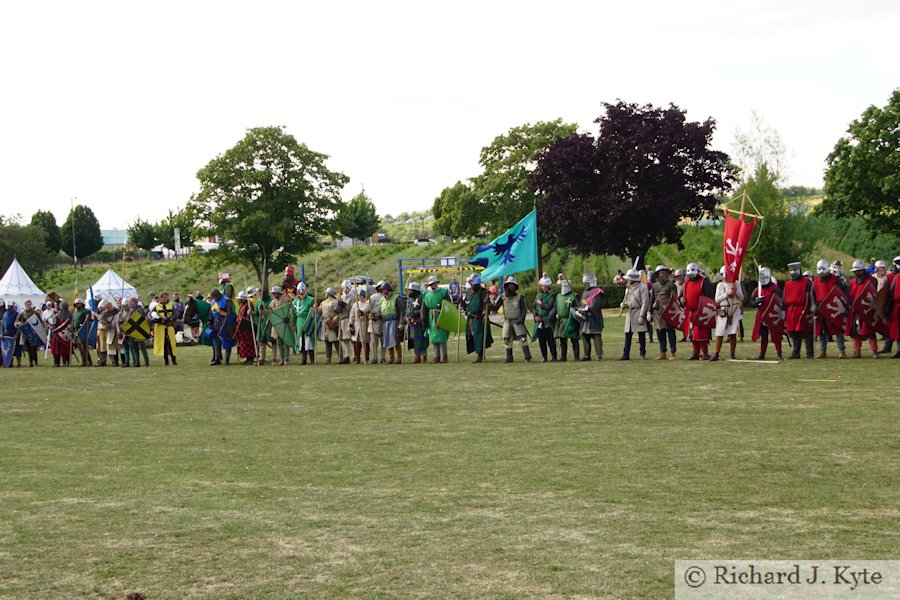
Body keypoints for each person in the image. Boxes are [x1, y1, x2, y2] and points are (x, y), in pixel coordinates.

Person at [811, 259, 848, 359]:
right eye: (819, 269)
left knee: (838, 330)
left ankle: (842, 351)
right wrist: (813, 304)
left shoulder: (835, 279)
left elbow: (842, 294)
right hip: (821, 308)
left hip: (833, 308)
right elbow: (812, 294)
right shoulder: (815, 281)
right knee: (822, 331)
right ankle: (823, 351)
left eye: (823, 269)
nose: (821, 272)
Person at [681, 263, 715, 361]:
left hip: (700, 312)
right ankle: (695, 353)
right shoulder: (687, 282)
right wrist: (682, 300)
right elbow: (683, 295)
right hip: (690, 311)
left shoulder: (704, 281)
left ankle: (705, 353)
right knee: (692, 334)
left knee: (701, 334)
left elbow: (709, 297)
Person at [494, 276, 531, 363]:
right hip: (508, 320)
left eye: (512, 285)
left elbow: (523, 310)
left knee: (522, 339)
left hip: (517, 320)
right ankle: (509, 357)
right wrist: (488, 302)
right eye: (509, 285)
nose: (511, 287)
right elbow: (495, 307)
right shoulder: (503, 297)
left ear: (515, 286)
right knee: (507, 339)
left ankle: (527, 356)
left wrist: (521, 319)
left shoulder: (519, 297)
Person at [846, 259, 879, 359]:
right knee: (855, 332)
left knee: (870, 331)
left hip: (867, 310)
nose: (857, 273)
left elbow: (873, 294)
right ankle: (857, 351)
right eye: (855, 271)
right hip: (856, 310)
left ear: (863, 270)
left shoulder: (872, 280)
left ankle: (874, 351)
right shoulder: (852, 282)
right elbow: (850, 296)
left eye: (859, 271)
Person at [749, 267, 784, 360]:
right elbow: (751, 302)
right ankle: (762, 354)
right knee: (763, 335)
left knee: (775, 335)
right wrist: (757, 302)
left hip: (772, 314)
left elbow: (780, 302)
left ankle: (779, 354)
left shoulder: (774, 289)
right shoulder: (757, 290)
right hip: (761, 314)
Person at [710, 266, 744, 361]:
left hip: (734, 308)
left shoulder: (736, 284)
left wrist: (736, 292)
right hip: (723, 310)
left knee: (733, 332)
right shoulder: (720, 285)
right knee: (719, 332)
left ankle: (732, 353)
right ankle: (716, 353)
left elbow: (741, 298)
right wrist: (726, 294)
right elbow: (717, 299)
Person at [784, 262, 814, 359]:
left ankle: (810, 353)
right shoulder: (787, 284)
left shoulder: (807, 283)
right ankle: (795, 353)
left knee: (807, 332)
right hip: (791, 310)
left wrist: (812, 306)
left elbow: (811, 295)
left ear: (799, 271)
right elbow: (784, 298)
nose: (793, 272)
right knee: (793, 333)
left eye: (795, 270)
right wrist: (783, 310)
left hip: (803, 309)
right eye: (791, 270)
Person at [620, 268, 650, 360]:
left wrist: (641, 315)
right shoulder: (628, 288)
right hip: (630, 312)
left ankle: (642, 353)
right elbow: (628, 300)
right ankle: (626, 354)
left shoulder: (642, 287)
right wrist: (624, 304)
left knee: (641, 335)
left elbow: (645, 302)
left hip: (638, 311)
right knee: (628, 334)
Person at [649, 265, 678, 360]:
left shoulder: (671, 285)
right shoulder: (655, 286)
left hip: (668, 312)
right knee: (660, 333)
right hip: (657, 312)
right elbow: (651, 298)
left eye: (663, 272)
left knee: (670, 333)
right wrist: (649, 312)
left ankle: (673, 352)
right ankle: (662, 352)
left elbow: (674, 299)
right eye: (659, 273)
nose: (661, 275)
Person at [574, 274, 604, 360]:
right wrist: (579, 309)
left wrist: (586, 309)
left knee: (596, 335)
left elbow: (596, 305)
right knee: (585, 336)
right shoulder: (585, 292)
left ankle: (599, 355)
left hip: (594, 317)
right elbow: (582, 303)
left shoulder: (598, 292)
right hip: (585, 318)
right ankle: (587, 355)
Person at [421, 275, 451, 363]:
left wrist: (446, 315)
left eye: (434, 283)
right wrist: (424, 319)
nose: (433, 285)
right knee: (434, 338)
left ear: (436, 283)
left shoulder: (443, 292)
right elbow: (424, 308)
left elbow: (448, 305)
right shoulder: (426, 294)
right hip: (431, 317)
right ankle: (437, 356)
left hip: (441, 316)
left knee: (442, 338)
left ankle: (445, 356)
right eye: (431, 284)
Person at [464, 275, 493, 363]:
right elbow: (466, 302)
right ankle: (478, 354)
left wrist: (485, 314)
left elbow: (485, 305)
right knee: (472, 337)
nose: (475, 286)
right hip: (470, 318)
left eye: (477, 284)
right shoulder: (468, 291)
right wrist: (461, 302)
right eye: (474, 284)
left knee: (480, 337)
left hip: (479, 318)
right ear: (471, 283)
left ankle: (480, 355)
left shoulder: (483, 292)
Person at [554, 279, 580, 361]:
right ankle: (563, 356)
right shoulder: (558, 296)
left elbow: (577, 308)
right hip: (562, 320)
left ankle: (576, 356)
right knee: (562, 340)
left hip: (571, 320)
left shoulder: (574, 296)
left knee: (574, 339)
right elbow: (556, 307)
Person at [532, 276, 558, 362]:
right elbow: (534, 307)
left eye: (545, 286)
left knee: (550, 340)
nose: (544, 288)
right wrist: (535, 316)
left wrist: (541, 303)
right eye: (543, 286)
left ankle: (554, 356)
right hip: (539, 320)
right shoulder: (538, 295)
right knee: (541, 340)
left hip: (548, 320)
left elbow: (548, 307)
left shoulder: (552, 296)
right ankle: (544, 356)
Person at [208, 288, 236, 365]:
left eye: (215, 297)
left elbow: (231, 314)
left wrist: (227, 323)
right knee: (216, 342)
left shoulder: (226, 301)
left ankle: (227, 359)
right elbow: (211, 313)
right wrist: (210, 321)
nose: (214, 299)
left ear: (217, 295)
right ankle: (217, 359)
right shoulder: (213, 302)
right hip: (215, 324)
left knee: (226, 341)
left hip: (225, 324)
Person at [379, 282, 405, 364]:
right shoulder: (382, 300)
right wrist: (375, 316)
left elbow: (401, 312)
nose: (383, 291)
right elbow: (381, 311)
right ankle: (391, 358)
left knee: (395, 340)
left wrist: (401, 323)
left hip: (395, 321)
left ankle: (399, 358)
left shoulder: (397, 298)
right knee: (387, 340)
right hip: (386, 322)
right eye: (382, 290)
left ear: (388, 290)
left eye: (384, 289)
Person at [15, 300, 45, 367]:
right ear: (25, 305)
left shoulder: (35, 313)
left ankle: (36, 362)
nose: (29, 305)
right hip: (26, 333)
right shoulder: (22, 313)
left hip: (33, 333)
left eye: (30, 304)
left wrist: (40, 330)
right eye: (27, 304)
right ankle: (31, 362)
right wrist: (20, 323)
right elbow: (16, 322)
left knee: (33, 348)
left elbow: (40, 322)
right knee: (28, 348)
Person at [151, 291, 177, 366]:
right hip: (160, 327)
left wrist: (169, 318)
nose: (166, 299)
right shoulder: (157, 306)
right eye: (164, 297)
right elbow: (150, 315)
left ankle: (174, 360)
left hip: (169, 326)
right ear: (161, 298)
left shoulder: (171, 305)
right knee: (164, 344)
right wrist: (156, 319)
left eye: (167, 297)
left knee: (171, 344)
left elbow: (175, 315)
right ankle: (166, 361)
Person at [292, 282, 316, 365]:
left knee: (309, 340)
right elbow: (293, 314)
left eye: (303, 290)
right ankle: (303, 359)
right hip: (299, 321)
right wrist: (293, 324)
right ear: (298, 291)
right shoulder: (295, 302)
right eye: (300, 290)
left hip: (308, 321)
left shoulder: (310, 300)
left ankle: (312, 359)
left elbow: (313, 312)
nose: (301, 292)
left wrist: (315, 308)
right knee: (301, 341)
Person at [405, 282, 428, 363]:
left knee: (421, 340)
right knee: (414, 340)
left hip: (419, 322)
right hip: (411, 323)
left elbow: (423, 310)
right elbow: (408, 309)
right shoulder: (410, 299)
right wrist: (407, 315)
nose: (409, 292)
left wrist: (414, 314)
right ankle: (417, 356)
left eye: (410, 290)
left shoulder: (422, 298)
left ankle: (424, 356)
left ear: (414, 290)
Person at [269, 286, 292, 366]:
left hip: (284, 324)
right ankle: (282, 359)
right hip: (276, 326)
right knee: (279, 343)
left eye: (275, 293)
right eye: (273, 293)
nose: (274, 294)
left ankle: (286, 359)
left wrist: (288, 318)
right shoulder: (272, 302)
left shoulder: (287, 300)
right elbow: (269, 313)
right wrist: (262, 310)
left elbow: (291, 311)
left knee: (286, 343)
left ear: (279, 293)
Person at [318, 287, 341, 365]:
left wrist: (334, 320)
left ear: (328, 293)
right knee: (327, 341)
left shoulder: (335, 302)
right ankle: (328, 358)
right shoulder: (323, 302)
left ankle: (340, 357)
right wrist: (314, 308)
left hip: (332, 322)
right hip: (324, 322)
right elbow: (319, 312)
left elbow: (338, 313)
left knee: (335, 340)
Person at [96, 300, 122, 366]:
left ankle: (115, 362)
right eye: (106, 308)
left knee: (115, 347)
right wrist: (104, 326)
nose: (107, 309)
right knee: (107, 347)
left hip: (115, 331)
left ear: (110, 305)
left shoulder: (118, 311)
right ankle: (105, 361)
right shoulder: (104, 313)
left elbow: (118, 320)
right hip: (108, 332)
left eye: (108, 307)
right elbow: (101, 322)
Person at [234, 291, 257, 365]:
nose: (238, 300)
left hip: (247, 327)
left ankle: (251, 359)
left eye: (240, 299)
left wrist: (250, 313)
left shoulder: (249, 305)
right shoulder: (242, 305)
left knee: (249, 343)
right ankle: (247, 358)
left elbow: (251, 314)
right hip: (242, 328)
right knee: (243, 344)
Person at [349, 287, 371, 364]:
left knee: (365, 342)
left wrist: (361, 312)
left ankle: (366, 358)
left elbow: (365, 310)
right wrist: (350, 324)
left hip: (364, 324)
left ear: (364, 296)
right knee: (356, 342)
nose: (359, 297)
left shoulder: (367, 303)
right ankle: (357, 358)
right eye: (358, 296)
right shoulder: (355, 304)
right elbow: (352, 315)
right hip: (356, 324)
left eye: (361, 296)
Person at [71, 298, 94, 367]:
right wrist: (71, 330)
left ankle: (89, 361)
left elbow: (89, 321)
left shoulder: (86, 311)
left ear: (82, 304)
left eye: (78, 304)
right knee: (79, 347)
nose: (77, 305)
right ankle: (83, 361)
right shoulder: (74, 312)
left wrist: (88, 318)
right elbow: (73, 322)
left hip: (83, 329)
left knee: (84, 346)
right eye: (76, 304)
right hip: (76, 330)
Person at [254, 287, 273, 366]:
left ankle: (274, 358)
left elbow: (272, 312)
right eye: (259, 293)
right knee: (262, 341)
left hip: (270, 323)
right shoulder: (258, 301)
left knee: (273, 341)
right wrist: (251, 313)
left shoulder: (271, 301)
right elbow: (257, 313)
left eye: (262, 293)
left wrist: (264, 310)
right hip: (261, 323)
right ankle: (262, 358)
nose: (260, 295)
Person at [337, 280, 355, 364]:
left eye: (346, 288)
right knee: (344, 339)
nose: (345, 290)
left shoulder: (353, 297)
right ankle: (346, 356)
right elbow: (339, 311)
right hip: (342, 319)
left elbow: (352, 309)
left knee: (350, 339)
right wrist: (338, 306)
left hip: (349, 318)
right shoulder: (342, 297)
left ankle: (353, 356)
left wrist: (344, 305)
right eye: (343, 288)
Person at [50, 301, 73, 367]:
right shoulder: (58, 314)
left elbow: (70, 324)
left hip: (66, 335)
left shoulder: (70, 314)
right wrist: (52, 326)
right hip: (58, 335)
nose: (60, 307)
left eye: (61, 306)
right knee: (56, 349)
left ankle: (67, 362)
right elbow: (54, 324)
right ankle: (56, 362)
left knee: (66, 350)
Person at [368, 281, 385, 364]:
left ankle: (383, 358)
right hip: (374, 321)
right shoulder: (373, 297)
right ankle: (374, 358)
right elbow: (367, 308)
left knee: (383, 342)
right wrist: (370, 314)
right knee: (373, 342)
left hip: (383, 320)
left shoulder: (386, 297)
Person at [3, 302, 22, 367]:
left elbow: (19, 325)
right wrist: (1, 333)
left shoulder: (17, 314)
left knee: (17, 349)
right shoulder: (4, 314)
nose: (8, 307)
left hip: (14, 333)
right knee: (9, 349)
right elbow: (3, 325)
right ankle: (10, 363)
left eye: (9, 306)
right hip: (7, 334)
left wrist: (17, 334)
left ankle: (19, 363)